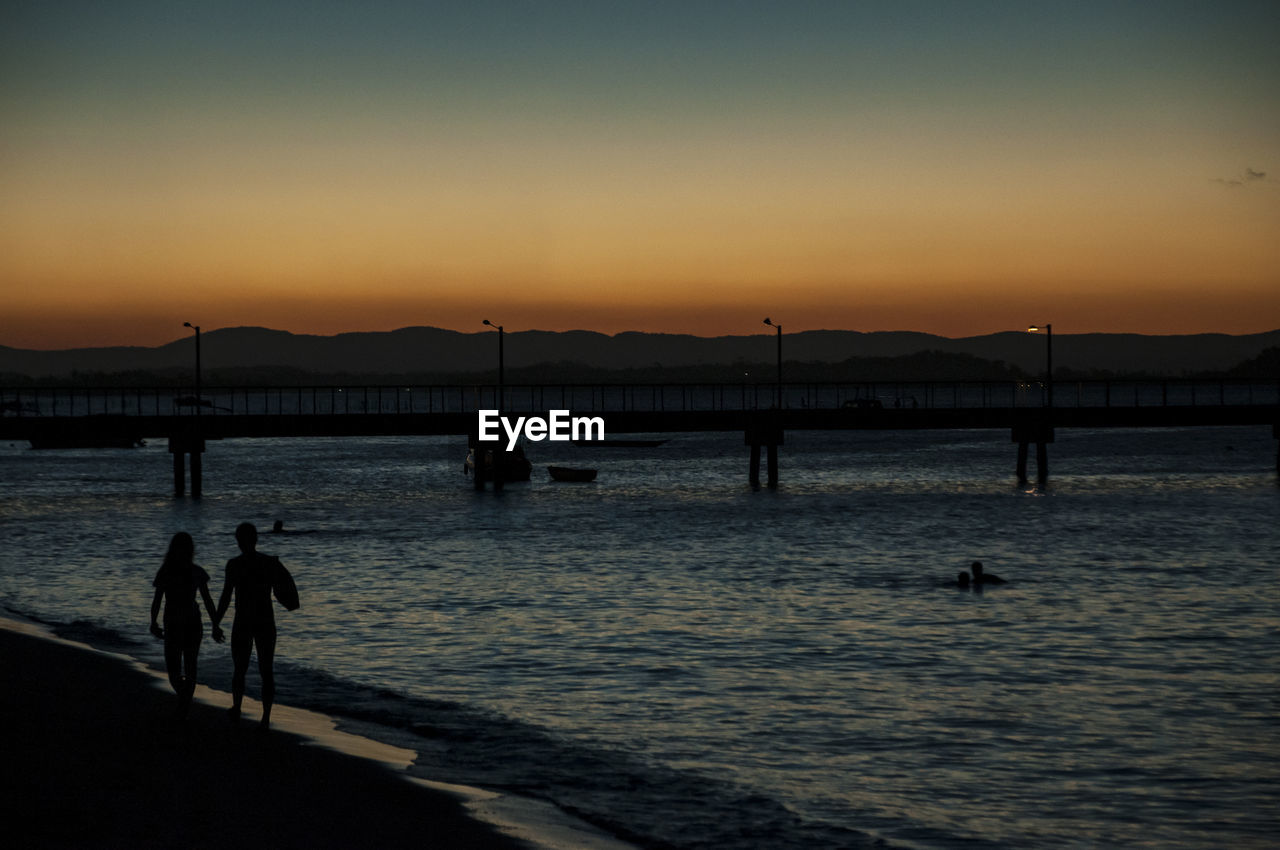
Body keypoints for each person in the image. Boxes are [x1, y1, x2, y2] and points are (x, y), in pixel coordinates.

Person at [214, 522, 290, 730]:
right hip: (265, 620)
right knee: (267, 670)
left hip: (243, 620)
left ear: (238, 541)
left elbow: (226, 597)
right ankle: (265, 717)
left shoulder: (234, 565)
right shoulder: (268, 563)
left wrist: (216, 623)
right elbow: (285, 591)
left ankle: (237, 707)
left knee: (240, 668)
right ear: (256, 539)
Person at [149, 532, 223, 717]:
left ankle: (184, 703)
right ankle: (185, 702)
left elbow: (157, 600)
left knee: (175, 669)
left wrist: (153, 622)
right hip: (191, 623)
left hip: (176, 623)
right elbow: (207, 601)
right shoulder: (195, 571)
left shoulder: (166, 571)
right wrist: (215, 624)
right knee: (189, 667)